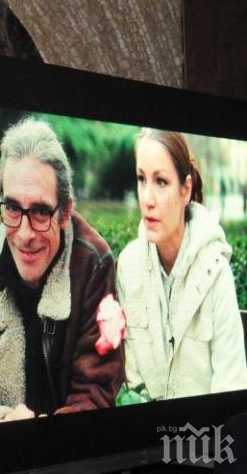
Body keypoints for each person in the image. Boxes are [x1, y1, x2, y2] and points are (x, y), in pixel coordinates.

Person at [0, 117, 123, 428]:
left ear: (65, 211)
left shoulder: (92, 264)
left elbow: (95, 394)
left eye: (40, 212)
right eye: (12, 208)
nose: (24, 233)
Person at [117, 129, 247, 401]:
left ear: (185, 189)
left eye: (161, 182)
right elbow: (132, 387)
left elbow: (231, 389)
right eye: (142, 179)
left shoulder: (215, 271)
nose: (147, 199)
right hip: (147, 438)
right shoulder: (128, 266)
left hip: (209, 438)